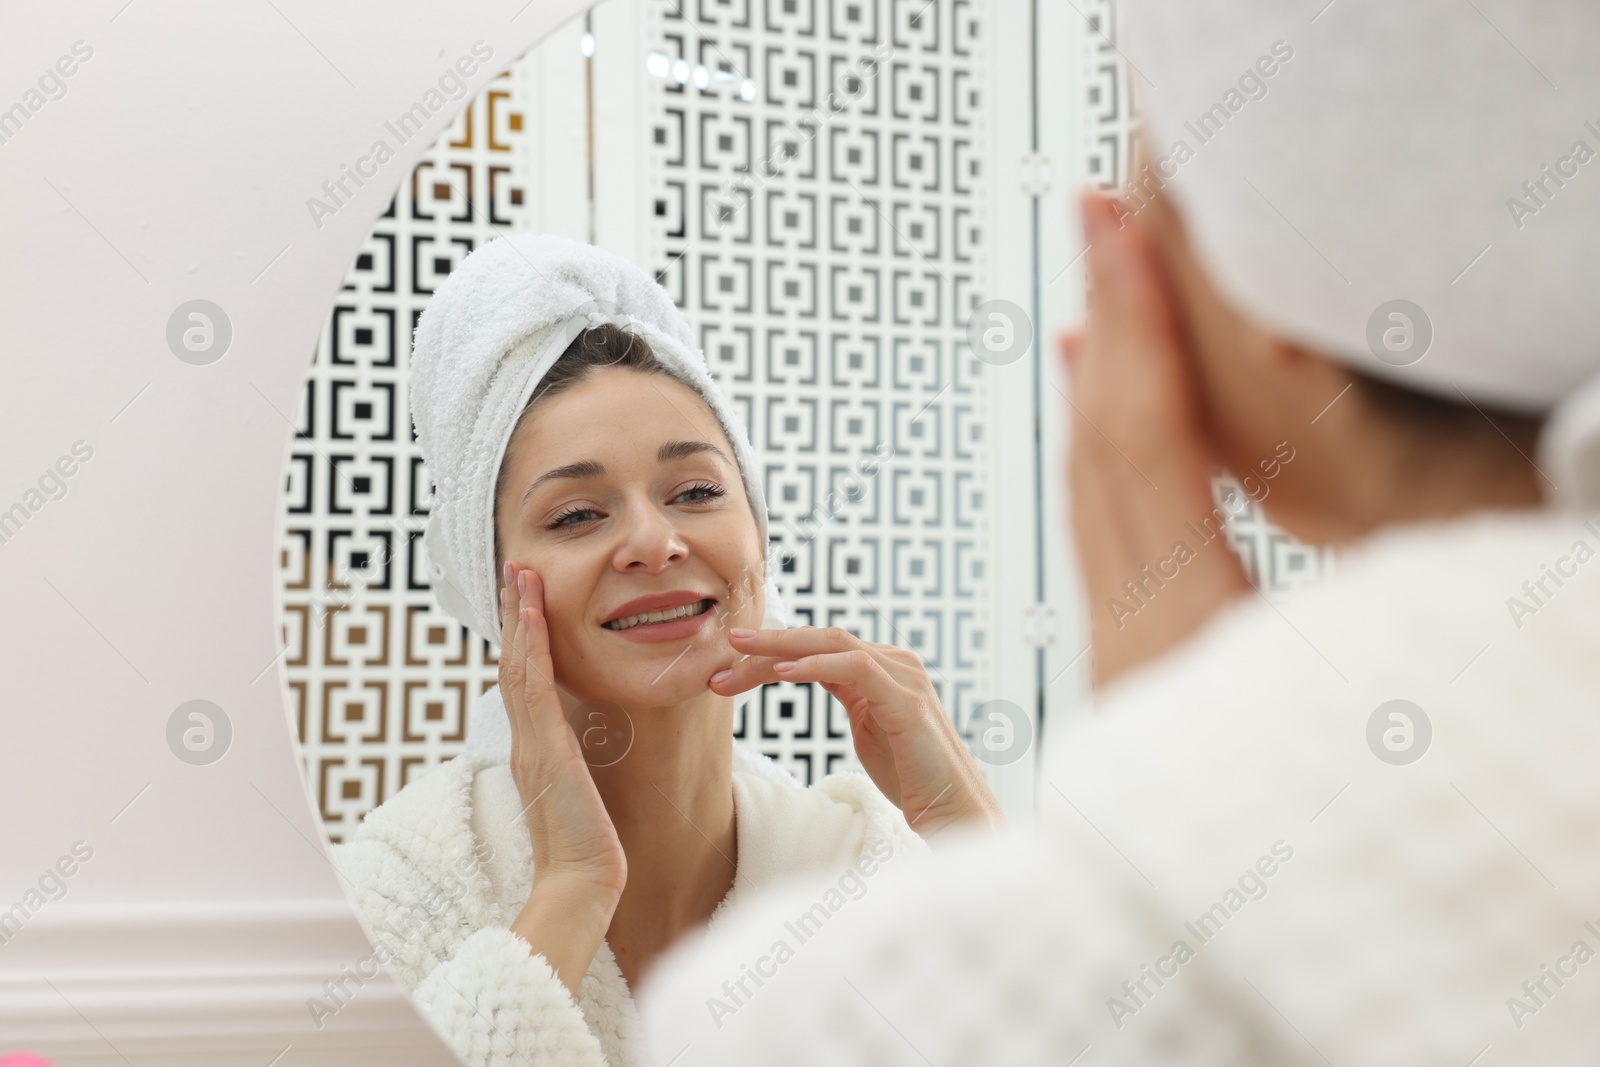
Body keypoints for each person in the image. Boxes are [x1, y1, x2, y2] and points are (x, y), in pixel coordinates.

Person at [635, 1, 1600, 1062]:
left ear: (1269, 301)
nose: (652, 545)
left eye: (1148, 161)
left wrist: (1199, 772)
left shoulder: (847, 1009)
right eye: (576, 510)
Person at [329, 236, 1003, 1066]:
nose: (654, 540)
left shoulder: (858, 867)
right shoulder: (395, 891)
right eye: (576, 514)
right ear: (491, 577)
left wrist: (974, 842)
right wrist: (571, 891)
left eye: (696, 492)